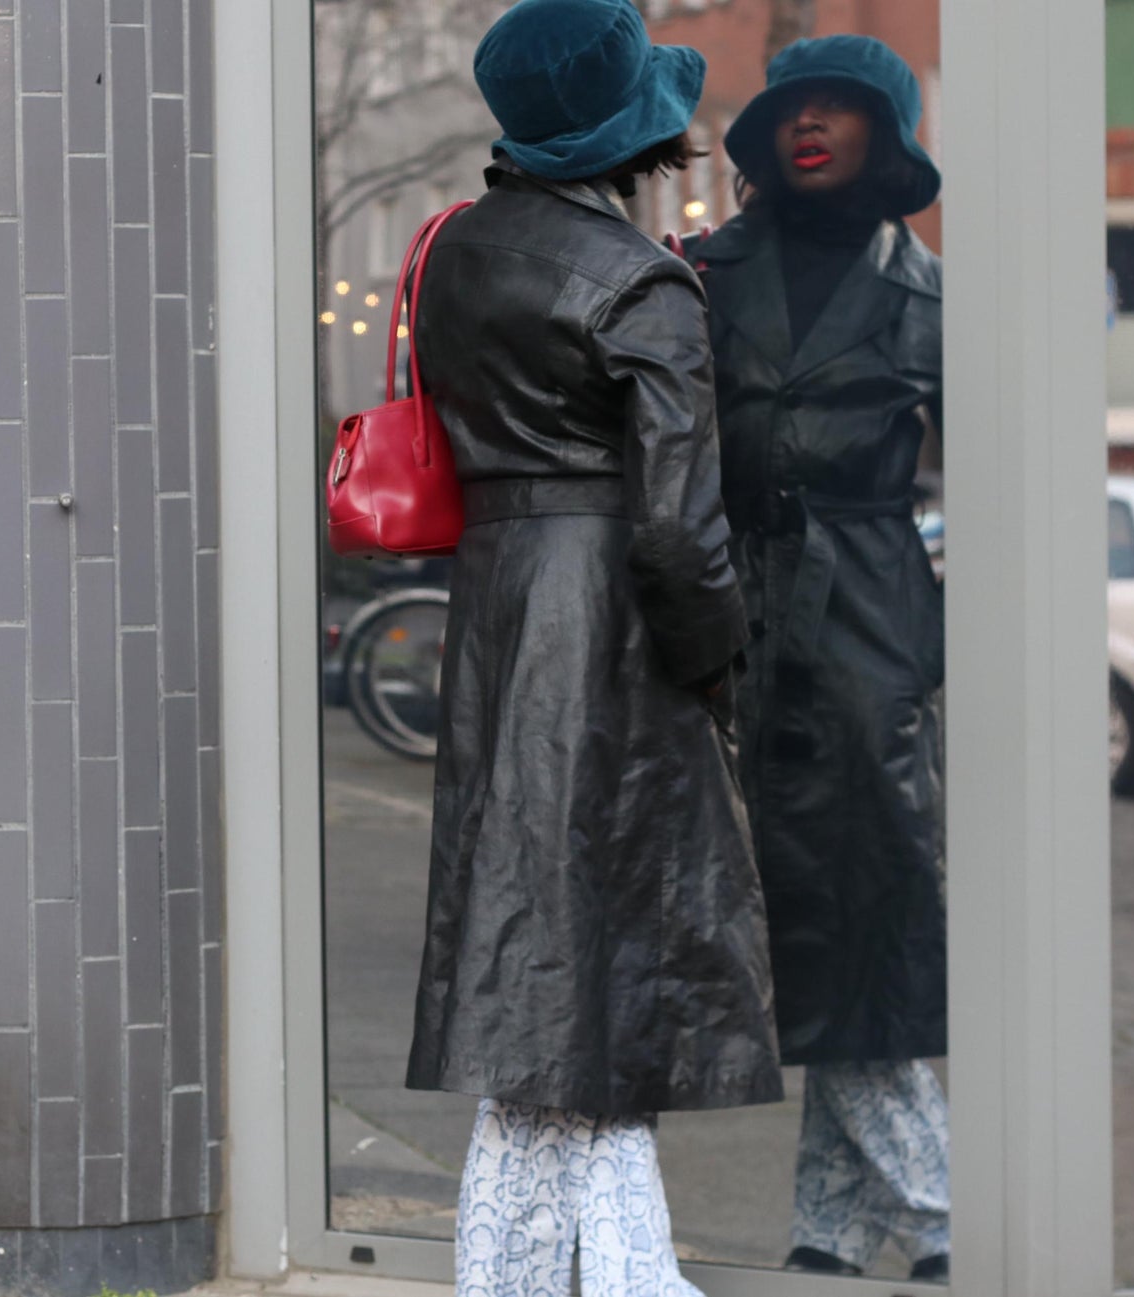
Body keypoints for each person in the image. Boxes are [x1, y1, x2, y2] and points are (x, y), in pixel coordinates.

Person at [402, 0, 783, 1291]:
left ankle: (526, 1277)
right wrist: (722, 670)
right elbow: (679, 532)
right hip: (609, 632)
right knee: (604, 1000)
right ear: (631, 140)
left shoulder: (452, 254)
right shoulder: (642, 283)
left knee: (546, 1003)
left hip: (502, 609)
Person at [673, 34, 951, 1282]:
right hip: (732, 621)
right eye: (793, 107)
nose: (811, 126)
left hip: (867, 625)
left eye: (840, 108)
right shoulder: (700, 277)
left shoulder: (928, 294)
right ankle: (831, 1235)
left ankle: (944, 1222)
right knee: (801, 925)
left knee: (869, 909)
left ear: (885, 136)